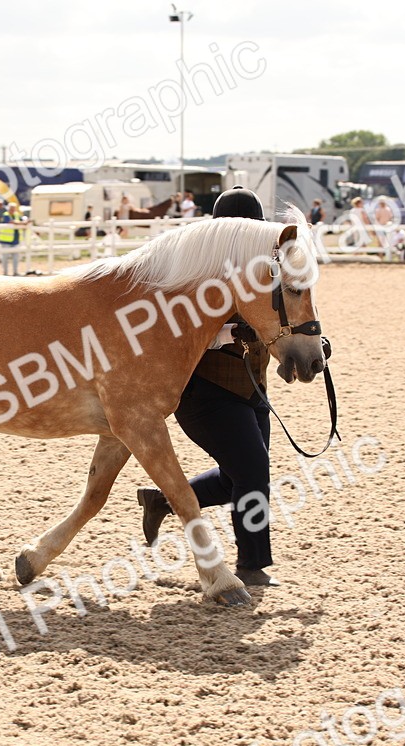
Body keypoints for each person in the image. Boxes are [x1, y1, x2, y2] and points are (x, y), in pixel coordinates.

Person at [136, 185, 296, 588]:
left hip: (252, 387)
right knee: (253, 471)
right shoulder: (193, 272)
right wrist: (227, 333)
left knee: (236, 477)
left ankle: (161, 500)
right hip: (203, 391)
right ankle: (251, 565)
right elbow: (175, 331)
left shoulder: (263, 270)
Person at [0, 200, 25, 276]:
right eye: (11, 208)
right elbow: (12, 222)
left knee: (16, 257)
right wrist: (21, 223)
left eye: (14, 208)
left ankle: (15, 272)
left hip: (15, 240)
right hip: (5, 241)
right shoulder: (5, 215)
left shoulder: (17, 215)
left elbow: (23, 221)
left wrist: (23, 222)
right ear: (8, 208)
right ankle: (5, 273)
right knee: (5, 258)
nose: (12, 210)